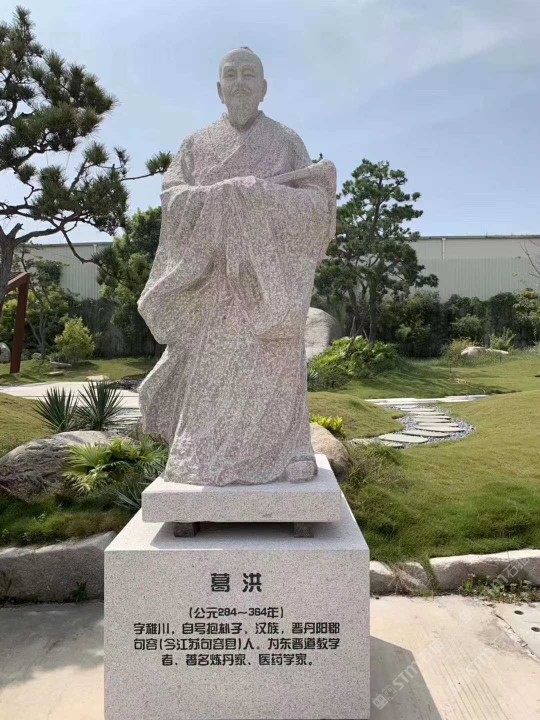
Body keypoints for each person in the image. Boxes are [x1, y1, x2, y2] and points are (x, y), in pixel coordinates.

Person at [138, 47, 336, 486]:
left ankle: (288, 450)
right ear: (219, 88)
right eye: (232, 75)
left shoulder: (285, 141)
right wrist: (222, 198)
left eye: (250, 75)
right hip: (212, 284)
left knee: (274, 371)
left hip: (269, 288)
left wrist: (262, 197)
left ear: (264, 88)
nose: (240, 83)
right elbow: (173, 198)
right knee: (213, 379)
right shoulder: (197, 145)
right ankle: (201, 455)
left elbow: (315, 204)